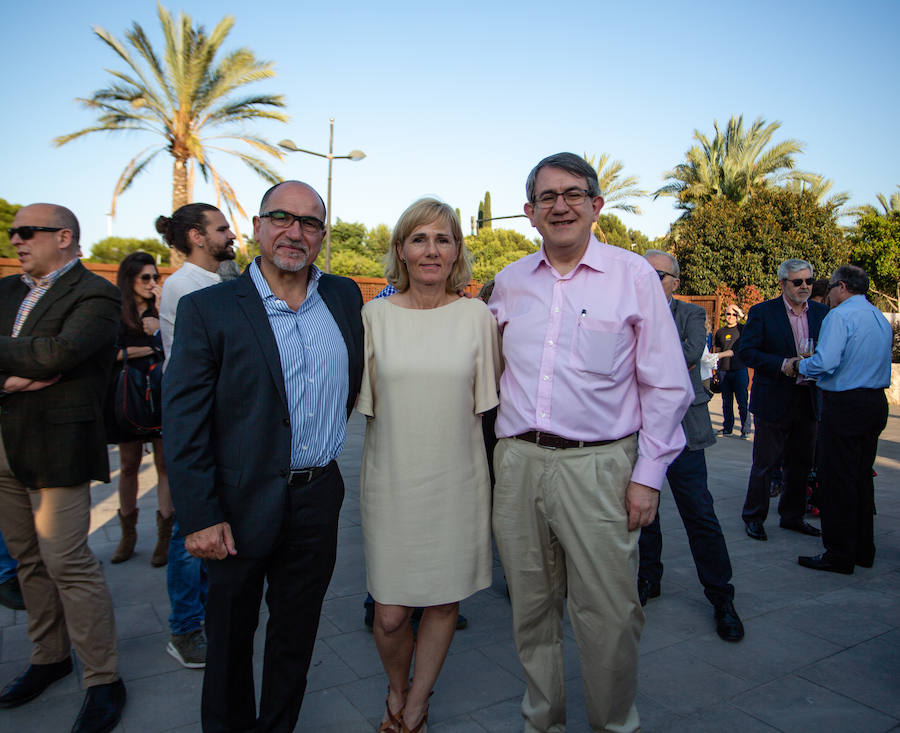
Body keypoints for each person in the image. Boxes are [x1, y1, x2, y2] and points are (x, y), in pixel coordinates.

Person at [488, 153, 693, 732]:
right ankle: (542, 721)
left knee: (609, 614)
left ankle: (613, 725)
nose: (561, 206)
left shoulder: (633, 277)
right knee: (530, 610)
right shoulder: (509, 283)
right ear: (529, 213)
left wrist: (647, 475)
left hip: (600, 466)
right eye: (547, 197)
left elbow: (666, 383)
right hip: (519, 461)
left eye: (574, 194)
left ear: (596, 205)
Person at [162, 180, 363, 732]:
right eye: (281, 217)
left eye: (310, 222)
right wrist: (200, 515)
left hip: (319, 495)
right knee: (229, 639)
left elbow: (350, 385)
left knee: (296, 635)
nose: (295, 232)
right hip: (236, 502)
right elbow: (183, 421)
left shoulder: (344, 297)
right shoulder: (211, 308)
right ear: (256, 226)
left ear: (322, 234)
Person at [359, 198, 499, 733]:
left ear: (457, 250)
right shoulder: (373, 317)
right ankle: (396, 687)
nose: (431, 250)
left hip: (457, 482)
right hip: (390, 483)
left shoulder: (476, 317)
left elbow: (488, 408)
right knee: (390, 613)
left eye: (443, 239)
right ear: (401, 250)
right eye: (419, 239)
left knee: (443, 603)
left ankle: (414, 706)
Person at [0, 204, 126, 733]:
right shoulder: (7, 291)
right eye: (13, 234)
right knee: (26, 559)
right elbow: (43, 357)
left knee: (66, 561)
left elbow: (59, 353)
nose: (16, 242)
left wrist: (37, 361)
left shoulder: (96, 293)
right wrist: (17, 375)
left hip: (59, 447)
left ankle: (102, 679)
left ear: (65, 236)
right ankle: (49, 657)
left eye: (26, 232)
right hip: (5, 443)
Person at [638, 251, 744, 642]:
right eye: (642, 273)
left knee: (699, 513)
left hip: (683, 430)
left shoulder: (690, 314)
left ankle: (722, 597)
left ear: (675, 282)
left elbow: (686, 354)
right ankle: (649, 577)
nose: (647, 280)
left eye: (657, 275)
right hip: (638, 428)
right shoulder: (625, 310)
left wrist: (636, 356)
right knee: (642, 511)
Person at [156, 202, 237, 670]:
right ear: (195, 237)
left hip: (223, 424)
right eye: (221, 229)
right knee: (191, 530)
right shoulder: (185, 288)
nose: (230, 236)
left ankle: (207, 615)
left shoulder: (221, 280)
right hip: (200, 425)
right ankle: (185, 628)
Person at [792, 265, 892, 573]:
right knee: (861, 477)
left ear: (843, 287)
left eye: (831, 287)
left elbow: (826, 362)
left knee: (837, 480)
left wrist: (799, 367)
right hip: (875, 402)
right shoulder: (877, 316)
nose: (828, 293)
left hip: (846, 403)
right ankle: (863, 549)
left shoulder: (840, 315)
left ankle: (838, 553)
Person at [736, 259, 827, 541]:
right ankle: (754, 517)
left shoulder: (823, 313)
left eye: (809, 281)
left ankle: (792, 516)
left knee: (800, 463)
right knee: (765, 463)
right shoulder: (763, 312)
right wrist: (781, 364)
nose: (804, 287)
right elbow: (746, 352)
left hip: (808, 397)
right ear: (782, 283)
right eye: (797, 282)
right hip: (774, 397)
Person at [107, 252, 173, 566]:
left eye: (155, 277)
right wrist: (150, 345)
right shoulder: (114, 312)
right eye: (145, 278)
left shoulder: (161, 310)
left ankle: (164, 537)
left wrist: (161, 317)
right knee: (129, 464)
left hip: (159, 393)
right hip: (129, 396)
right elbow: (109, 353)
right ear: (129, 279)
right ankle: (127, 535)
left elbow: (178, 345)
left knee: (164, 465)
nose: (152, 283)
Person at [714, 304, 750, 438]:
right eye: (728, 314)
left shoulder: (743, 329)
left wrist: (742, 314)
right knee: (726, 401)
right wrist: (716, 371)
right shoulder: (720, 332)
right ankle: (727, 428)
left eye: (734, 314)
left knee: (742, 401)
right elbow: (716, 351)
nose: (730, 317)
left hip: (739, 370)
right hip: (724, 371)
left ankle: (745, 430)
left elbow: (753, 326)